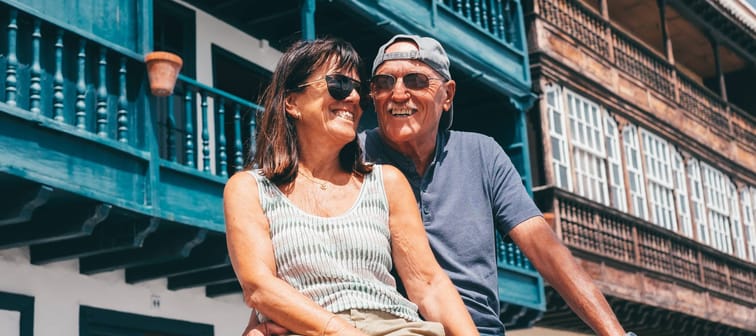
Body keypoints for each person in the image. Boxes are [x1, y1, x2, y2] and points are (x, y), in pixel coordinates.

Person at [359, 34, 634, 336]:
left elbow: (546, 249)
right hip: (396, 328)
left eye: (416, 81)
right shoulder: (354, 155)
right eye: (383, 83)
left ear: (447, 95)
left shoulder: (482, 154)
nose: (397, 94)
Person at [224, 37, 478, 336]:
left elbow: (429, 284)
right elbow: (259, 288)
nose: (354, 98)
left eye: (359, 90)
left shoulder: (386, 183)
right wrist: (340, 331)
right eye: (339, 85)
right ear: (292, 102)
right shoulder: (250, 189)